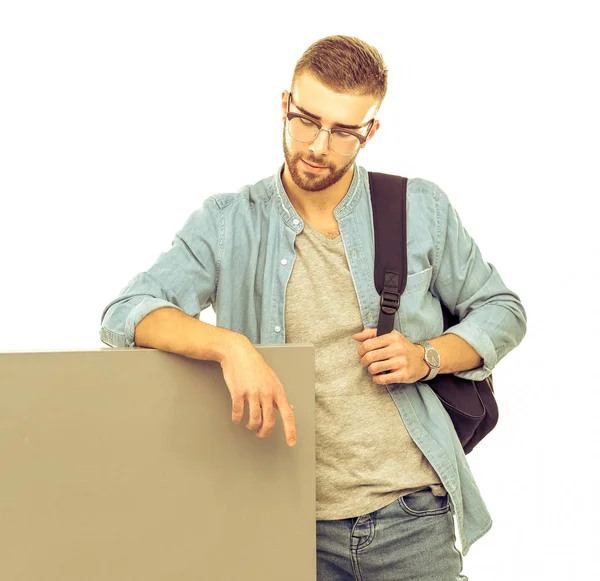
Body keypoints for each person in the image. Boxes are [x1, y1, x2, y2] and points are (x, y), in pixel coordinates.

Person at [100, 35, 526, 581]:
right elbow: (126, 313)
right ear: (285, 105)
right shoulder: (230, 221)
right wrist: (232, 347)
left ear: (369, 132)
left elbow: (501, 308)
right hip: (280, 521)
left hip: (411, 515)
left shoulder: (418, 207)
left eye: (344, 131)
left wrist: (427, 356)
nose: (318, 146)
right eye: (306, 120)